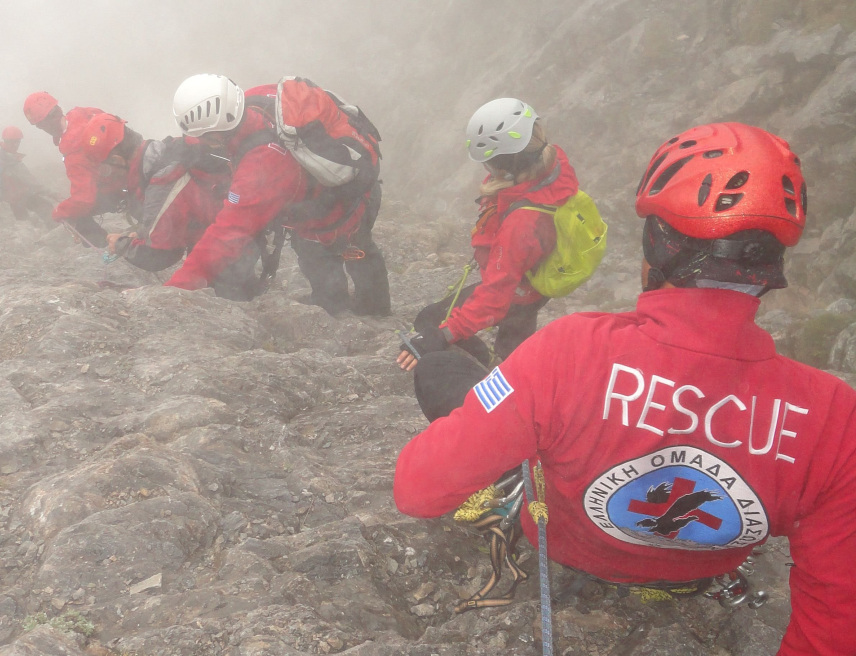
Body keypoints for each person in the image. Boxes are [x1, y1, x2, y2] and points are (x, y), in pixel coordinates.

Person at [393, 122, 856, 656]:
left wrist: (506, 410)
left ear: (655, 244)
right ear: (769, 267)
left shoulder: (568, 351)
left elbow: (417, 489)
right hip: (698, 574)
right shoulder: (834, 416)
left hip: (568, 548)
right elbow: (837, 613)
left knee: (440, 373)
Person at [163, 74, 391, 316]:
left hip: (340, 209)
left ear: (219, 133)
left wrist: (174, 289)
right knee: (321, 254)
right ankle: (339, 305)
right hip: (341, 189)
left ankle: (370, 314)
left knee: (346, 254)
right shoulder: (253, 99)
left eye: (206, 137)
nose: (202, 142)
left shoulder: (264, 162)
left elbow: (228, 234)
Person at [396, 98, 578, 377]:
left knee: (431, 321)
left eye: (489, 163)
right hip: (531, 284)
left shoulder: (522, 222)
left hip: (517, 291)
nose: (486, 170)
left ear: (506, 164)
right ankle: (514, 373)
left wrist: (443, 336)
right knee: (515, 345)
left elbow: (495, 298)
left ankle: (494, 381)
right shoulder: (550, 162)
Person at [70, 112, 258, 300]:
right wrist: (143, 233)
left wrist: (122, 244)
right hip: (236, 241)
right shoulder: (166, 152)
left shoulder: (163, 180)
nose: (106, 177)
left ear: (118, 160)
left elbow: (160, 254)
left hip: (227, 253)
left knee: (229, 305)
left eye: (104, 169)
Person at [23, 91, 112, 247]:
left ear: (45, 124)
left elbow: (83, 199)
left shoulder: (72, 148)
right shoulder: (84, 113)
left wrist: (60, 212)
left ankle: (111, 247)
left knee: (75, 215)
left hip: (122, 185)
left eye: (39, 126)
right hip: (130, 168)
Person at [0, 126, 55, 224]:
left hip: (7, 194)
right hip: (16, 194)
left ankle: (31, 230)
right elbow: (29, 180)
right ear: (6, 141)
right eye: (13, 142)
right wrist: (50, 193)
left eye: (18, 142)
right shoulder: (8, 159)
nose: (16, 145)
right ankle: (50, 228)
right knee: (46, 208)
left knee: (23, 219)